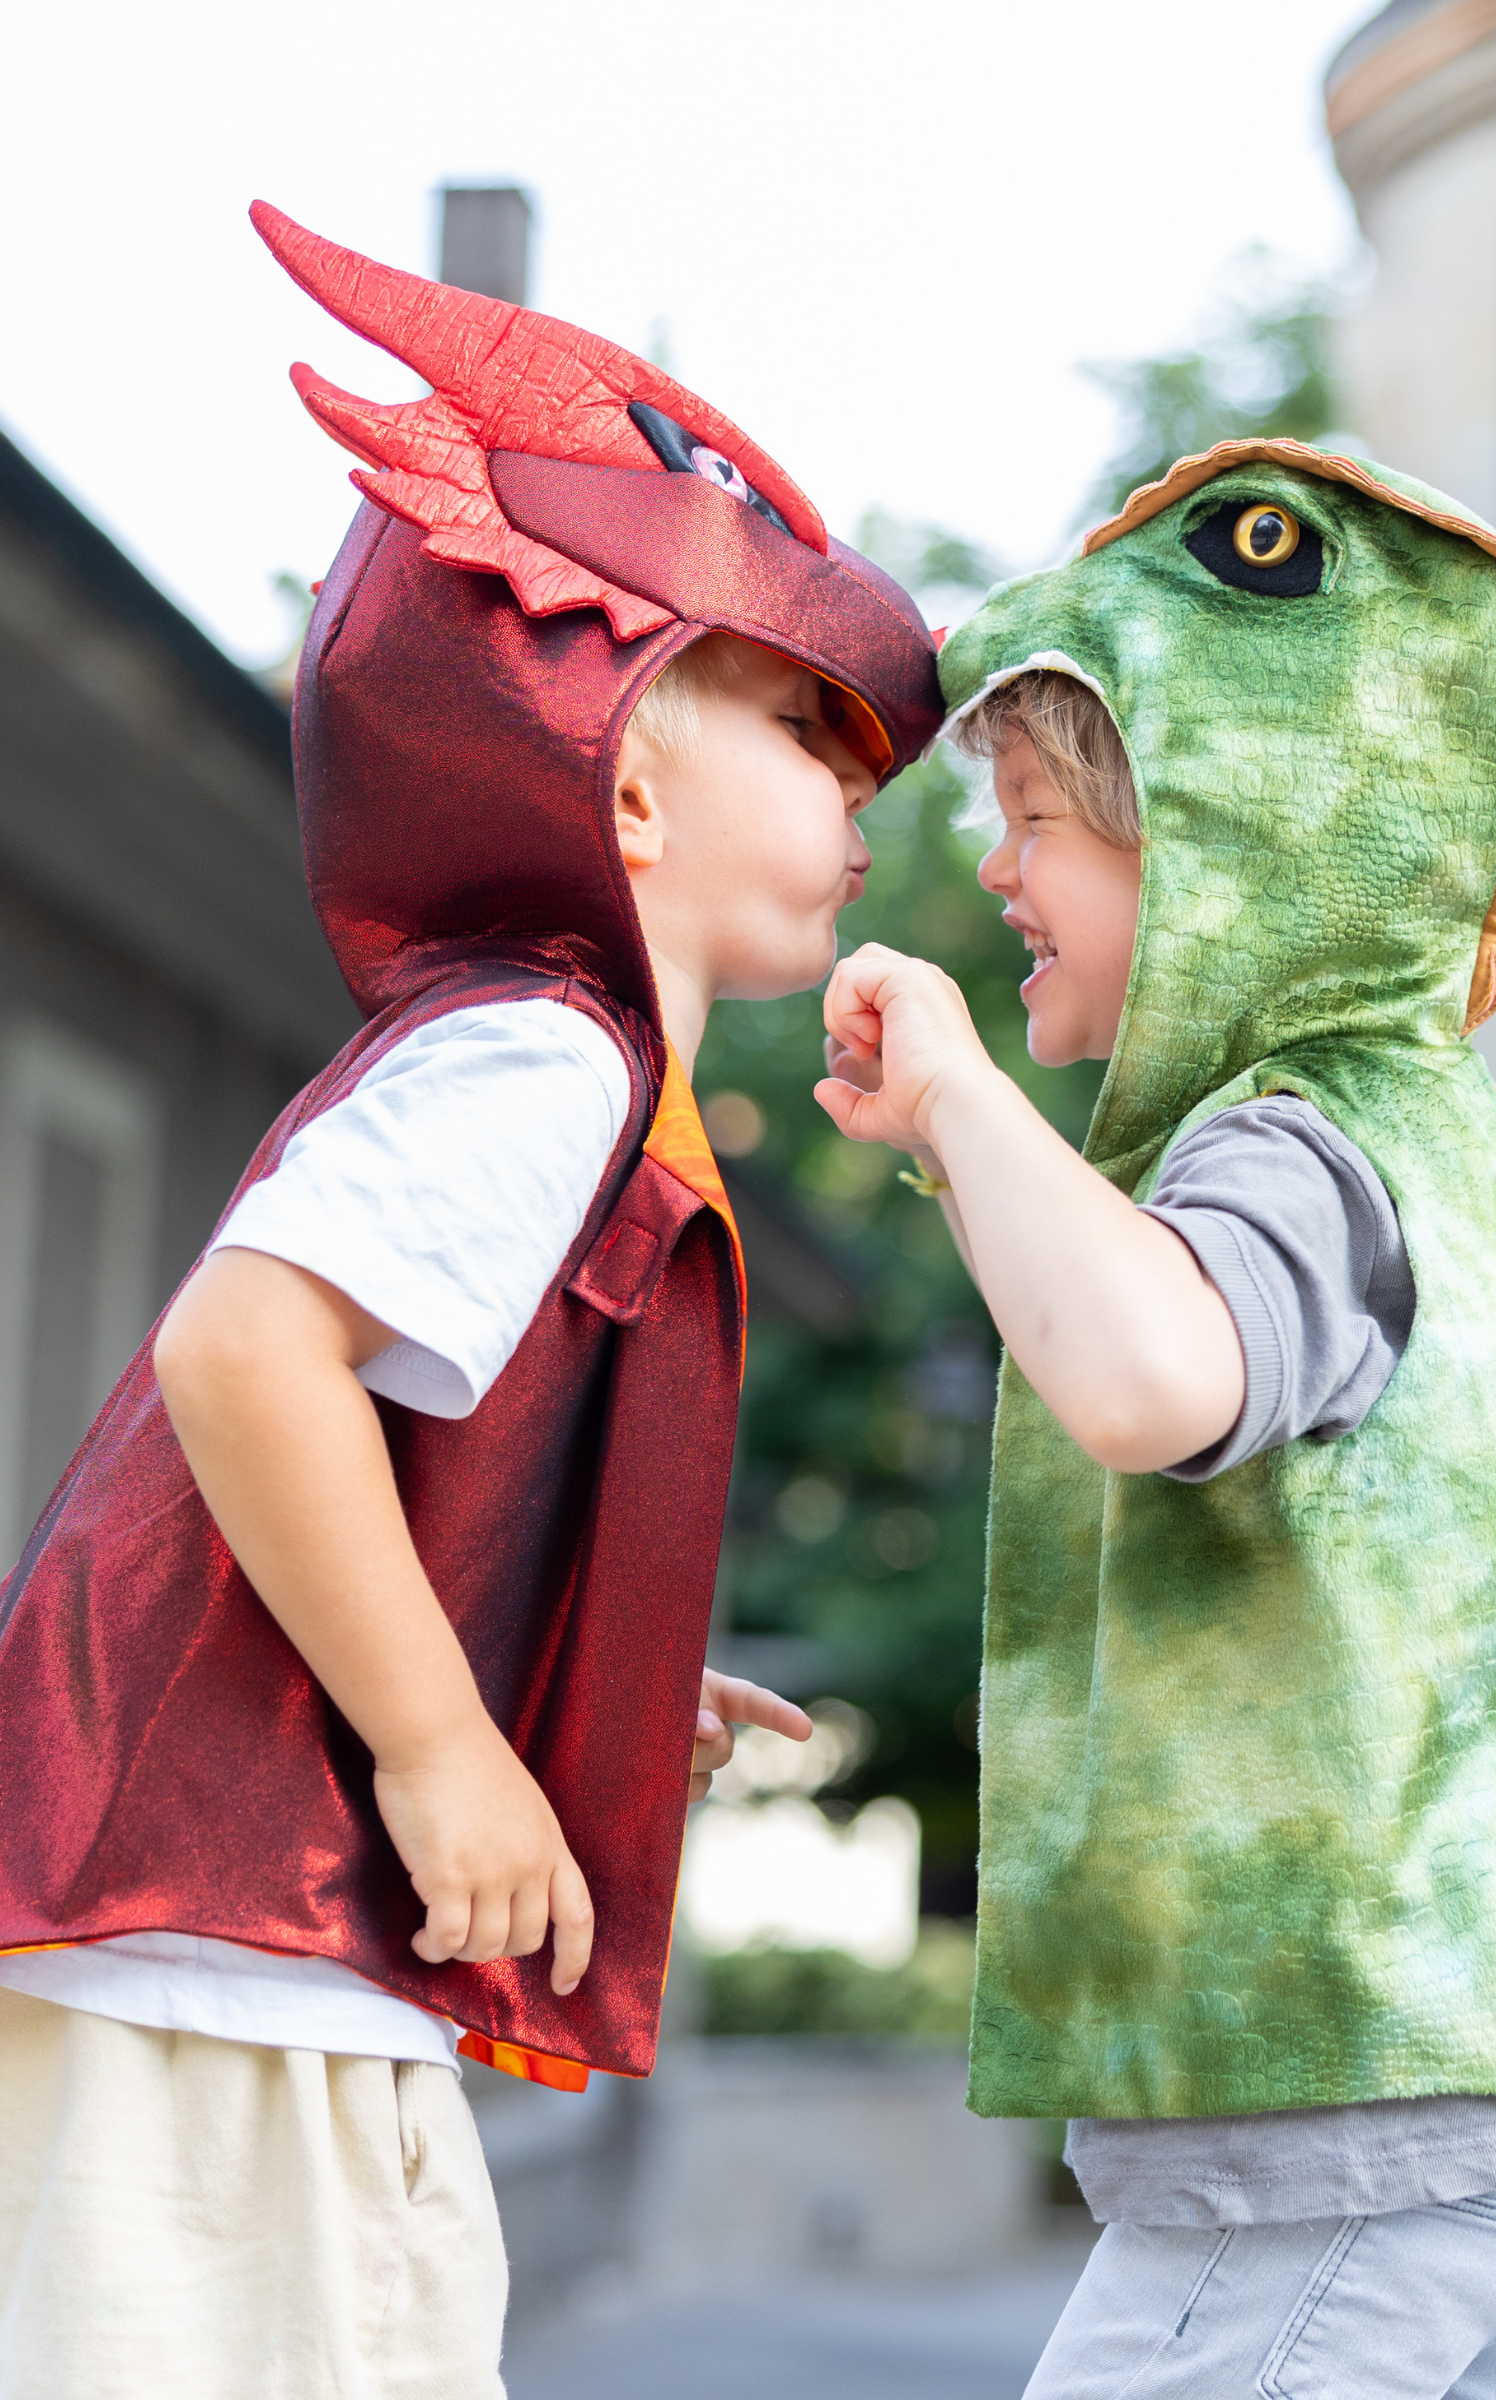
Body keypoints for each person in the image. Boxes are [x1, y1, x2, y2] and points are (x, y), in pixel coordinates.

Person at [0, 205, 941, 2398]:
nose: (858, 782)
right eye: (809, 728)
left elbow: (368, 1428)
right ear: (619, 753)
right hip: (217, 1958)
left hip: (248, 1958)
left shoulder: (559, 1062)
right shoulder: (544, 1050)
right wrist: (441, 1749)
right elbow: (251, 1353)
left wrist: (556, 1670)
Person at [817, 440, 1496, 2398]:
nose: (992, 867)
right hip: (1490, 2088)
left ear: (1228, 839)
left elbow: (1153, 1378)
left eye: (1035, 824)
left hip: (1341, 2116)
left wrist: (955, 1102)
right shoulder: (1445, 1160)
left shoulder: (1296, 1140)